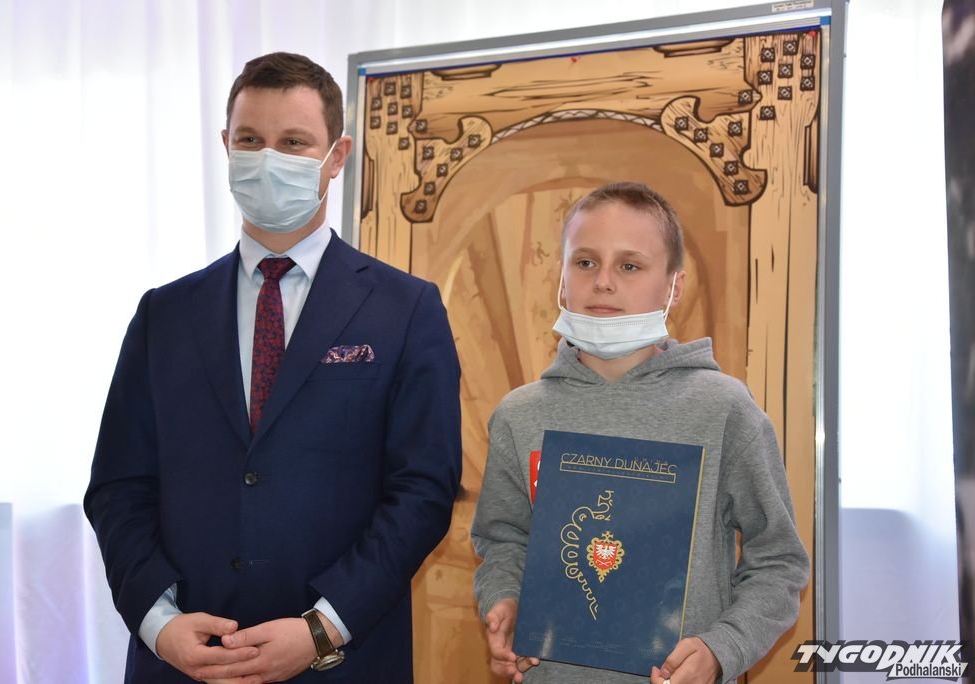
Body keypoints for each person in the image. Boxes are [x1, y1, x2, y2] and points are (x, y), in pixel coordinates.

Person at [85, 52, 462, 683]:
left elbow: (422, 491)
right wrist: (159, 623)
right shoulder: (163, 314)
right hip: (184, 660)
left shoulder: (406, 310)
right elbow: (118, 487)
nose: (268, 159)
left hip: (342, 661)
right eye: (250, 141)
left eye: (293, 142)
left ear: (336, 157)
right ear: (225, 147)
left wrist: (321, 628)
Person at [471, 182, 809, 684]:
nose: (603, 282)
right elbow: (504, 538)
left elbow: (779, 560)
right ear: (561, 277)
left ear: (674, 287)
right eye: (585, 262)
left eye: (630, 265)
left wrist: (723, 648)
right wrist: (505, 598)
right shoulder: (519, 416)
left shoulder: (724, 410)